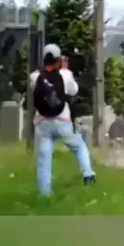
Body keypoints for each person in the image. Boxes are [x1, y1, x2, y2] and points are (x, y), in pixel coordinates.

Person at [31, 43, 96, 196]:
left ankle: (45, 193)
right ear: (58, 60)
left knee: (44, 160)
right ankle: (88, 173)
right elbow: (74, 90)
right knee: (79, 146)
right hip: (63, 123)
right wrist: (66, 69)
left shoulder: (35, 77)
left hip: (43, 124)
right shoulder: (65, 75)